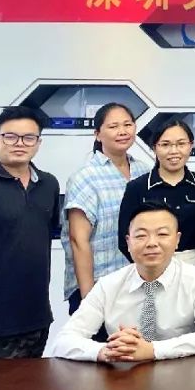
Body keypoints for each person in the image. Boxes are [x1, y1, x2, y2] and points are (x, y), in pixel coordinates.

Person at [51, 201, 195, 362]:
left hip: (183, 373)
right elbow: (63, 341)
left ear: (177, 240)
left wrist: (152, 350)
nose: (152, 243)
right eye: (141, 235)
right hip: (124, 374)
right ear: (128, 242)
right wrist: (106, 351)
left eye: (162, 234)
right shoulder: (108, 285)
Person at [0, 107, 60, 359]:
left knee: (32, 383)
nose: (20, 143)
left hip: (36, 317)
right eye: (10, 136)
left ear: (38, 143)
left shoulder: (48, 184)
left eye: (28, 137)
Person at [63, 103, 151, 315]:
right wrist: (89, 300)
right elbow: (78, 240)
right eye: (113, 126)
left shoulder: (144, 171)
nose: (122, 131)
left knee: (141, 337)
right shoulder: (85, 176)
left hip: (139, 284)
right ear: (97, 134)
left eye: (127, 124)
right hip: (99, 287)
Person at [118, 119, 195, 272]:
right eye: (165, 145)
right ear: (155, 148)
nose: (174, 151)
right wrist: (147, 264)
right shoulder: (137, 187)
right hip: (150, 263)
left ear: (190, 146)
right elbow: (124, 238)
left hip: (194, 263)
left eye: (181, 144)